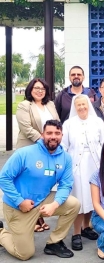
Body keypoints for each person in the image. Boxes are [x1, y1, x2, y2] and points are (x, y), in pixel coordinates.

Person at [0, 120, 80, 260]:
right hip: (19, 206)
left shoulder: (65, 158)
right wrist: (20, 201)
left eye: (57, 133)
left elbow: (66, 185)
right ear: (42, 134)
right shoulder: (24, 153)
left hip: (42, 201)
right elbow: (4, 178)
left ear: (62, 135)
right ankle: (1, 233)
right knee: (24, 254)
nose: (53, 136)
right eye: (49, 133)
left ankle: (54, 243)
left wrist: (54, 205)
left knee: (74, 204)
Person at [61, 94, 104, 251]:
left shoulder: (97, 122)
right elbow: (64, 147)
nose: (81, 107)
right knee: (79, 200)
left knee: (91, 197)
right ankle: (76, 233)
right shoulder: (68, 124)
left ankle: (86, 227)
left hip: (95, 164)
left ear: (89, 105)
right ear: (75, 107)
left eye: (84, 104)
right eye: (78, 105)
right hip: (77, 167)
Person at [15, 78, 60, 232]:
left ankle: (38, 215)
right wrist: (44, 139)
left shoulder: (50, 104)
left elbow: (57, 123)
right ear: (30, 89)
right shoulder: (25, 105)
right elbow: (26, 128)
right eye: (36, 88)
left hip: (47, 150)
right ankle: (30, 218)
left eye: (43, 88)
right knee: (28, 183)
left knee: (42, 181)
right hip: (30, 147)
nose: (40, 91)